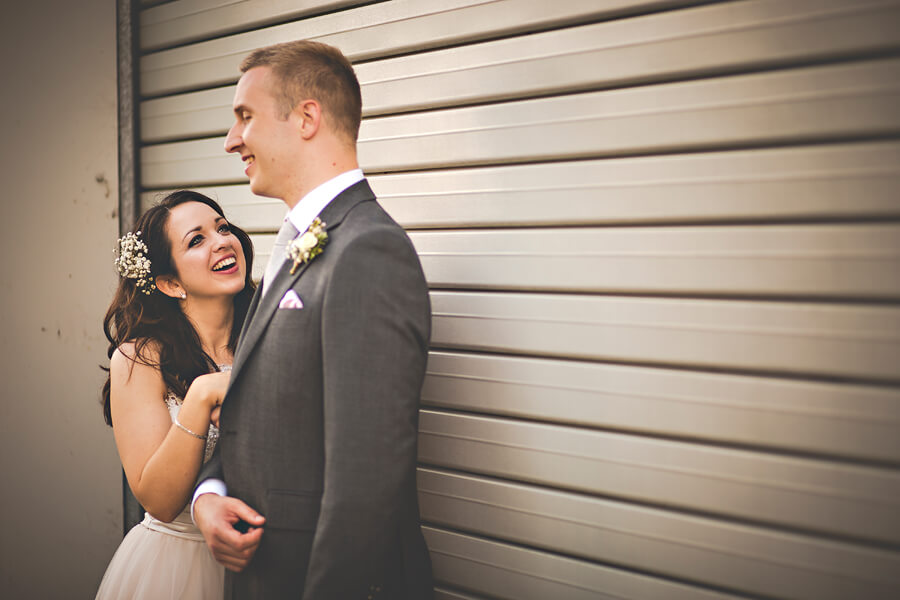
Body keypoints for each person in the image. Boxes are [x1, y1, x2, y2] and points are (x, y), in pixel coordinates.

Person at [191, 40, 434, 598]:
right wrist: (209, 496)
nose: (232, 140)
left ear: (306, 118)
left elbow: (365, 482)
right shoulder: (291, 244)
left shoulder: (369, 251)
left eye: (244, 117)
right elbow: (258, 410)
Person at [95, 191, 256, 599]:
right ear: (170, 283)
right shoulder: (140, 359)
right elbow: (160, 501)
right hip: (178, 569)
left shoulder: (266, 336)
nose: (221, 240)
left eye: (222, 227)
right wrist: (200, 397)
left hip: (263, 563)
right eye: (196, 240)